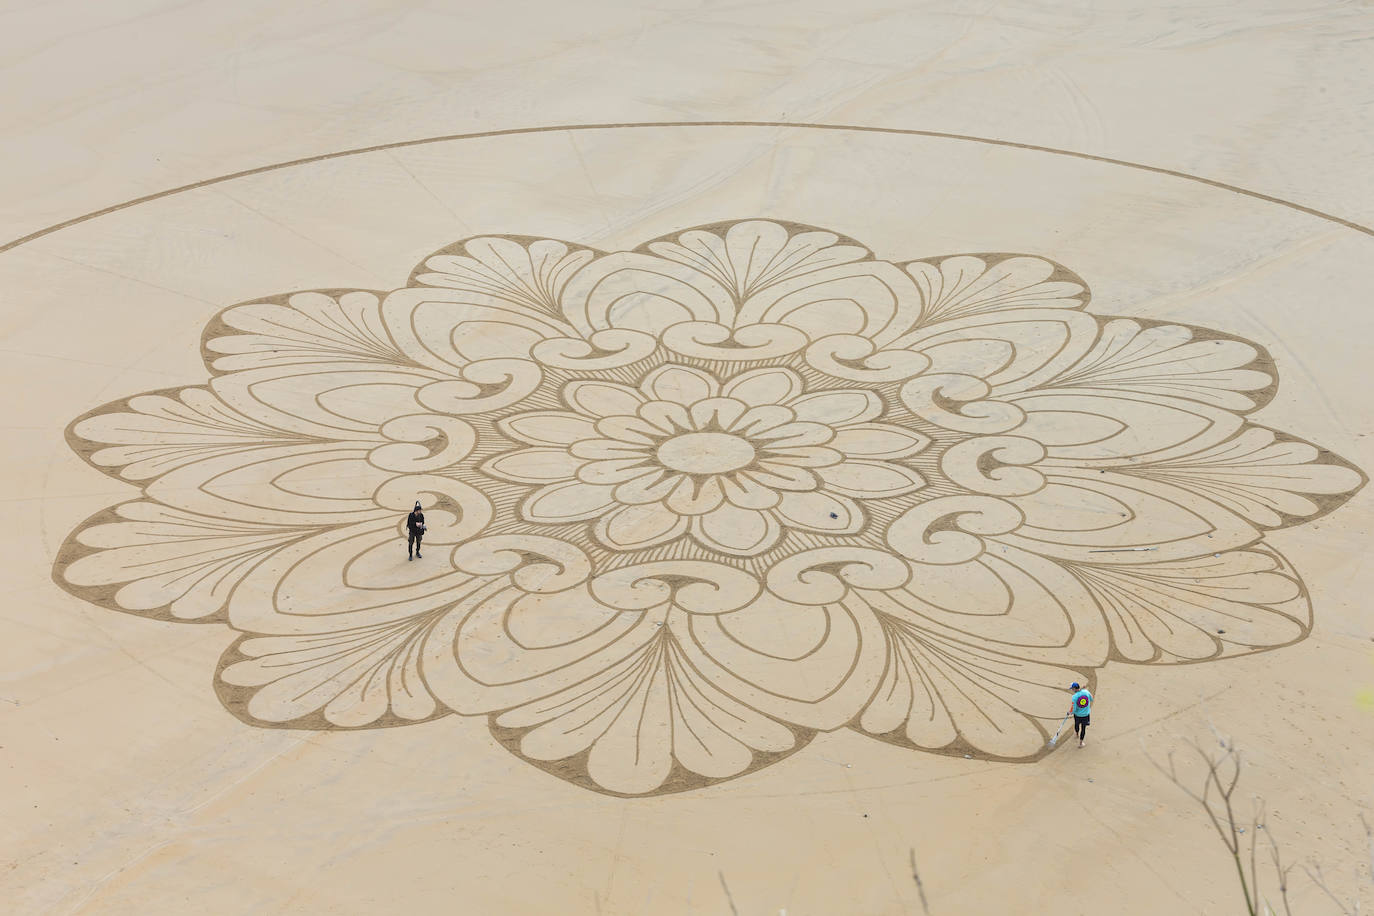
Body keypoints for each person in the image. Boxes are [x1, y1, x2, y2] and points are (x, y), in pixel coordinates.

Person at [1069, 681, 1093, 747]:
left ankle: (1076, 734)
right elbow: (1091, 699)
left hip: (1077, 715)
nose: (1071, 690)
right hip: (1085, 715)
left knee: (1076, 724)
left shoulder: (1074, 697)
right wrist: (1084, 691)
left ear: (1074, 689)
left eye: (1072, 689)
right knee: (1083, 728)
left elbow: (1074, 709)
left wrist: (1070, 712)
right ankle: (1081, 743)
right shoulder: (1086, 692)